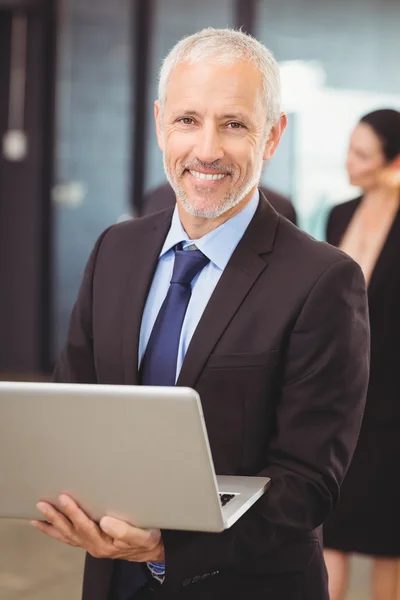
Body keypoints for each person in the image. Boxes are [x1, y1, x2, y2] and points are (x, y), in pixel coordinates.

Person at [31, 28, 369, 600]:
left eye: (234, 124)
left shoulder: (322, 280)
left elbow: (308, 484)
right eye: (188, 120)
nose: (207, 149)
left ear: (272, 135)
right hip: (112, 582)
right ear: (161, 122)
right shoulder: (115, 250)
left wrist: (168, 549)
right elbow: (75, 411)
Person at [323, 108, 400, 600]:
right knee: (329, 530)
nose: (349, 162)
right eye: (350, 149)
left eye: (363, 154)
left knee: (387, 542)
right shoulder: (339, 213)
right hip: (339, 397)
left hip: (392, 405)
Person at [140, 181, 298, 224]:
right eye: (187, 121)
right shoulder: (158, 196)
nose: (207, 153)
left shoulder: (280, 207)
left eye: (235, 125)